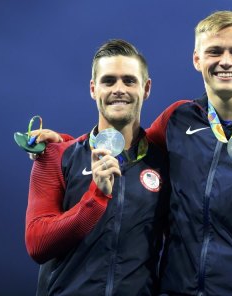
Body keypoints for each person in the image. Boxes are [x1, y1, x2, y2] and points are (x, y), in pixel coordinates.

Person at [31, 10, 232, 296]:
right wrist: (67, 145)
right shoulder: (178, 119)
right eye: (214, 51)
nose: (226, 61)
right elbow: (132, 145)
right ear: (197, 59)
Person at [25, 39, 169, 296]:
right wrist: (96, 198)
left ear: (146, 88)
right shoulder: (55, 156)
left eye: (129, 80)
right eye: (108, 81)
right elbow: (38, 244)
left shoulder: (163, 163)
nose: (119, 89)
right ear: (93, 88)